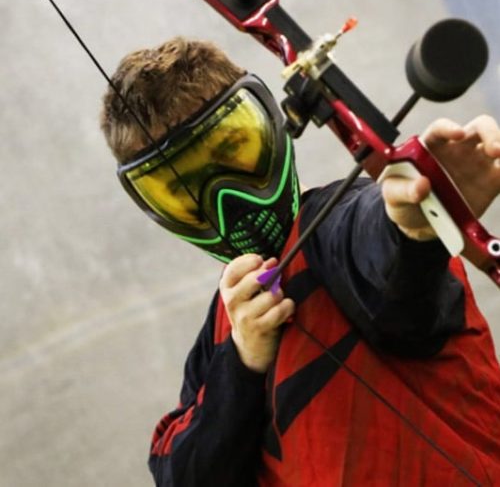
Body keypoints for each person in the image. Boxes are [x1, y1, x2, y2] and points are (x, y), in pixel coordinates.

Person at [101, 37, 500, 486]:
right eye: (183, 189)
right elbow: (181, 475)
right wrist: (243, 360)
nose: (226, 199)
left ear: (272, 127)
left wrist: (415, 226)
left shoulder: (337, 227)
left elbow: (386, 262)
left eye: (233, 150)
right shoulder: (222, 337)